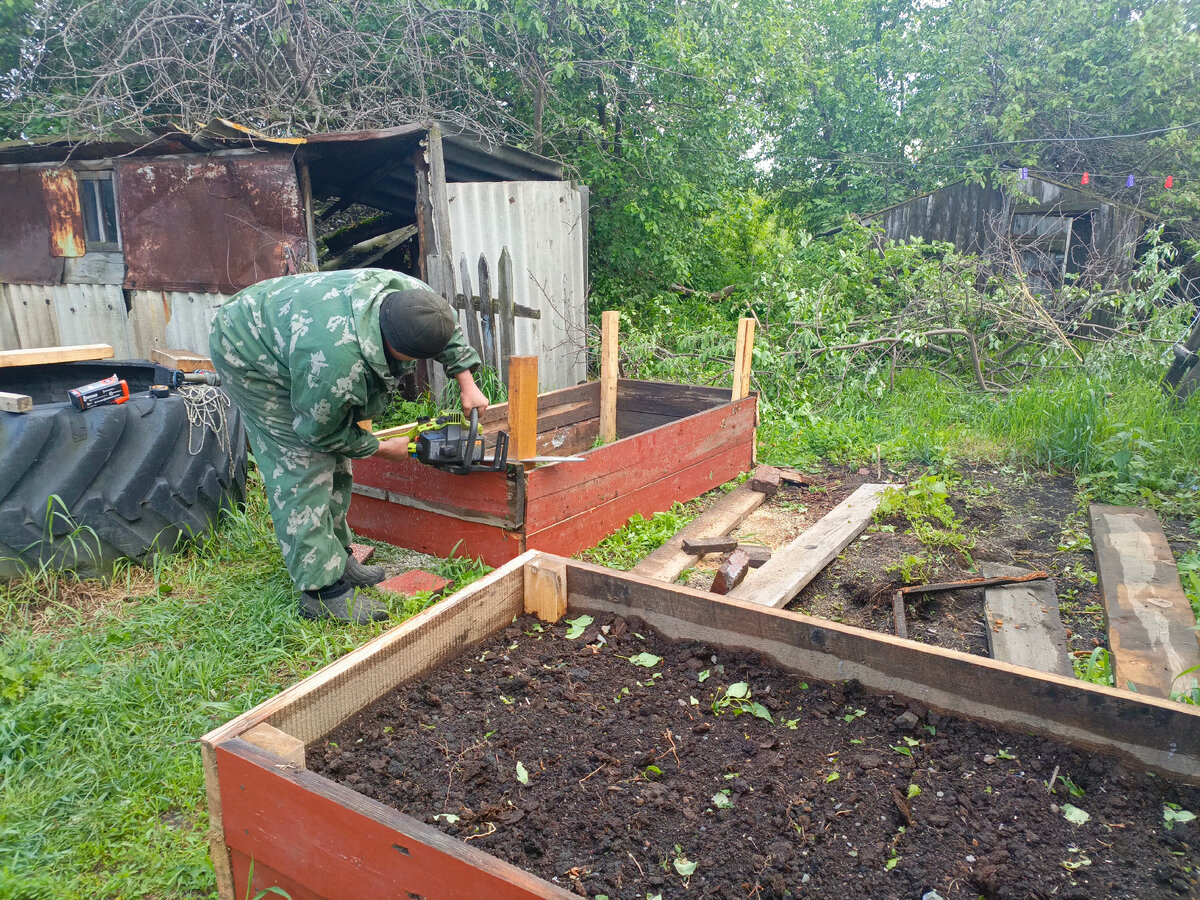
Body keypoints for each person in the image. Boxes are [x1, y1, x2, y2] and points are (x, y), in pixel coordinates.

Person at [209, 268, 488, 624]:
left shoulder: (413, 297)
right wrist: (382, 447)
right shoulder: (336, 365)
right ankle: (321, 593)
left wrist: (466, 380)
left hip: (292, 325)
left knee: (337, 457)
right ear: (396, 349)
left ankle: (339, 558)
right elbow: (320, 434)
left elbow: (442, 330)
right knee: (302, 463)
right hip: (246, 346)